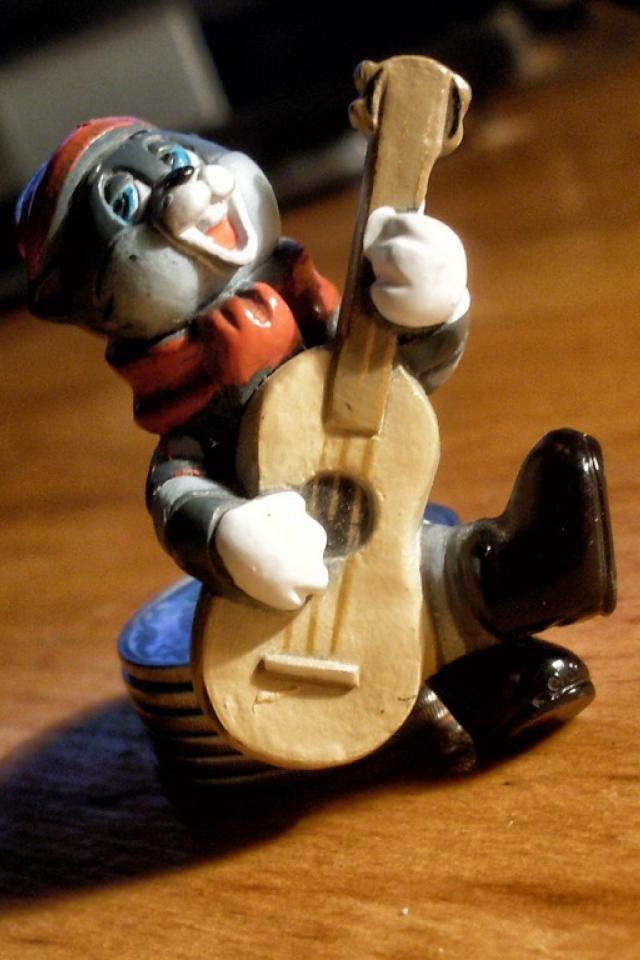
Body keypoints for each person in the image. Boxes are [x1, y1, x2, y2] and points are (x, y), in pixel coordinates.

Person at [16, 116, 616, 765]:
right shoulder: (189, 413)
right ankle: (458, 679)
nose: (186, 183)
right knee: (358, 607)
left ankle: (530, 588)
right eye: (126, 200)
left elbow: (396, 379)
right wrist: (230, 536)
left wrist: (430, 306)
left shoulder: (317, 314)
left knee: (430, 567)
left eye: (172, 154)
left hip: (387, 552)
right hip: (289, 620)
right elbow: (178, 490)